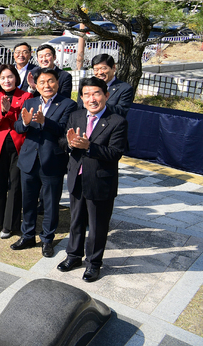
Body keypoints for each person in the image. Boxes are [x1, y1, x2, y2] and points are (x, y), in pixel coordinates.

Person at [58, 77, 128, 282]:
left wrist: (89, 146)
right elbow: (64, 140)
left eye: (96, 93)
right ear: (81, 97)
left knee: (97, 226)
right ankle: (73, 256)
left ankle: (93, 263)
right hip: (77, 177)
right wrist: (70, 144)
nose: (92, 98)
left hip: (100, 181)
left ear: (106, 95)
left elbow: (115, 153)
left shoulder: (117, 121)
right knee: (76, 220)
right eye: (87, 94)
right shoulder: (76, 116)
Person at [11, 68, 76, 258]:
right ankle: (28, 235)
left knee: (50, 203)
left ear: (57, 82)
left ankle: (47, 239)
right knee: (28, 201)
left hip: (52, 161)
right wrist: (24, 123)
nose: (46, 85)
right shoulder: (30, 101)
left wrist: (44, 121)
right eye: (42, 82)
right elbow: (17, 126)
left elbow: (64, 130)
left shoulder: (68, 104)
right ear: (36, 85)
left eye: (50, 81)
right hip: (29, 160)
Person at [0, 64, 32, 239]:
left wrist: (10, 112)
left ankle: (9, 225)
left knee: (15, 184)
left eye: (10, 77)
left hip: (19, 145)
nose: (7, 80)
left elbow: (24, 122)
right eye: (3, 78)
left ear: (16, 78)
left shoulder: (26, 96)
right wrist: (3, 112)